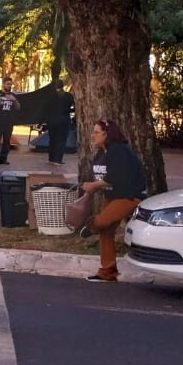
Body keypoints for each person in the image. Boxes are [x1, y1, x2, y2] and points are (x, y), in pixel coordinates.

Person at [78, 119, 146, 282]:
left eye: (96, 132)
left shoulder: (119, 151)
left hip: (128, 196)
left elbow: (115, 177)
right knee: (106, 232)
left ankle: (89, 227)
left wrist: (93, 186)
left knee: (100, 222)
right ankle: (107, 272)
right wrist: (92, 188)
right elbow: (102, 177)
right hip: (111, 196)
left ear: (106, 134)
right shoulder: (102, 152)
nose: (92, 135)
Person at [46, 79, 74, 165]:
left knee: (52, 139)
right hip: (64, 120)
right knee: (61, 140)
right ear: (63, 86)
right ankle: (58, 159)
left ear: (55, 86)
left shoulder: (50, 96)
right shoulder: (69, 96)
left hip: (52, 120)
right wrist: (69, 111)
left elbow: (45, 109)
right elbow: (74, 107)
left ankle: (51, 158)